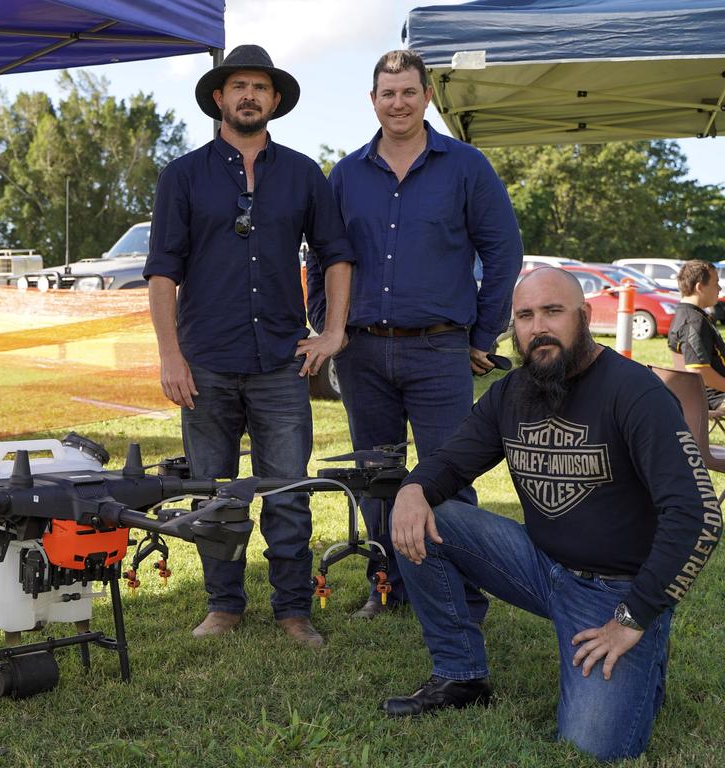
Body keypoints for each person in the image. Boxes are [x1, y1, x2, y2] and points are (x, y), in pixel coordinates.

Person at [382, 267, 720, 761]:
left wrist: (634, 616)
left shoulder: (636, 393)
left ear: (583, 317)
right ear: (513, 328)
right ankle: (460, 676)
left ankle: (646, 646)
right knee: (427, 516)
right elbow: (451, 462)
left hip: (615, 592)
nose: (538, 326)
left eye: (553, 312)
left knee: (592, 747)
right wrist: (412, 488)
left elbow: (699, 515)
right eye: (525, 316)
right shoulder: (511, 393)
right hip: (541, 566)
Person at [143, 45, 354, 647]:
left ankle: (293, 610)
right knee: (216, 493)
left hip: (281, 365)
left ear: (275, 100)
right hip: (205, 362)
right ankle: (224, 605)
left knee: (286, 490)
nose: (249, 96)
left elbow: (336, 255)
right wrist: (169, 355)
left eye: (260, 87)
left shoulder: (304, 174)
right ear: (219, 98)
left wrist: (333, 333)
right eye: (238, 86)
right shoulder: (182, 176)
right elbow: (162, 274)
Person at [306, 49, 522, 619]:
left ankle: (463, 595)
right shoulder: (347, 174)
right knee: (377, 477)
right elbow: (324, 253)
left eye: (408, 92)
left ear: (427, 96)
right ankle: (389, 588)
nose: (397, 103)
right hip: (363, 351)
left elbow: (504, 250)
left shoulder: (466, 166)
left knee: (448, 474)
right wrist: (324, 322)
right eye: (387, 93)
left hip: (439, 348)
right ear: (372, 101)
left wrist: (484, 333)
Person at [667, 259, 725, 407]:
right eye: (715, 283)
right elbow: (698, 371)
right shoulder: (693, 322)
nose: (719, 288)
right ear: (700, 287)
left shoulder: (691, 315)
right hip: (715, 396)